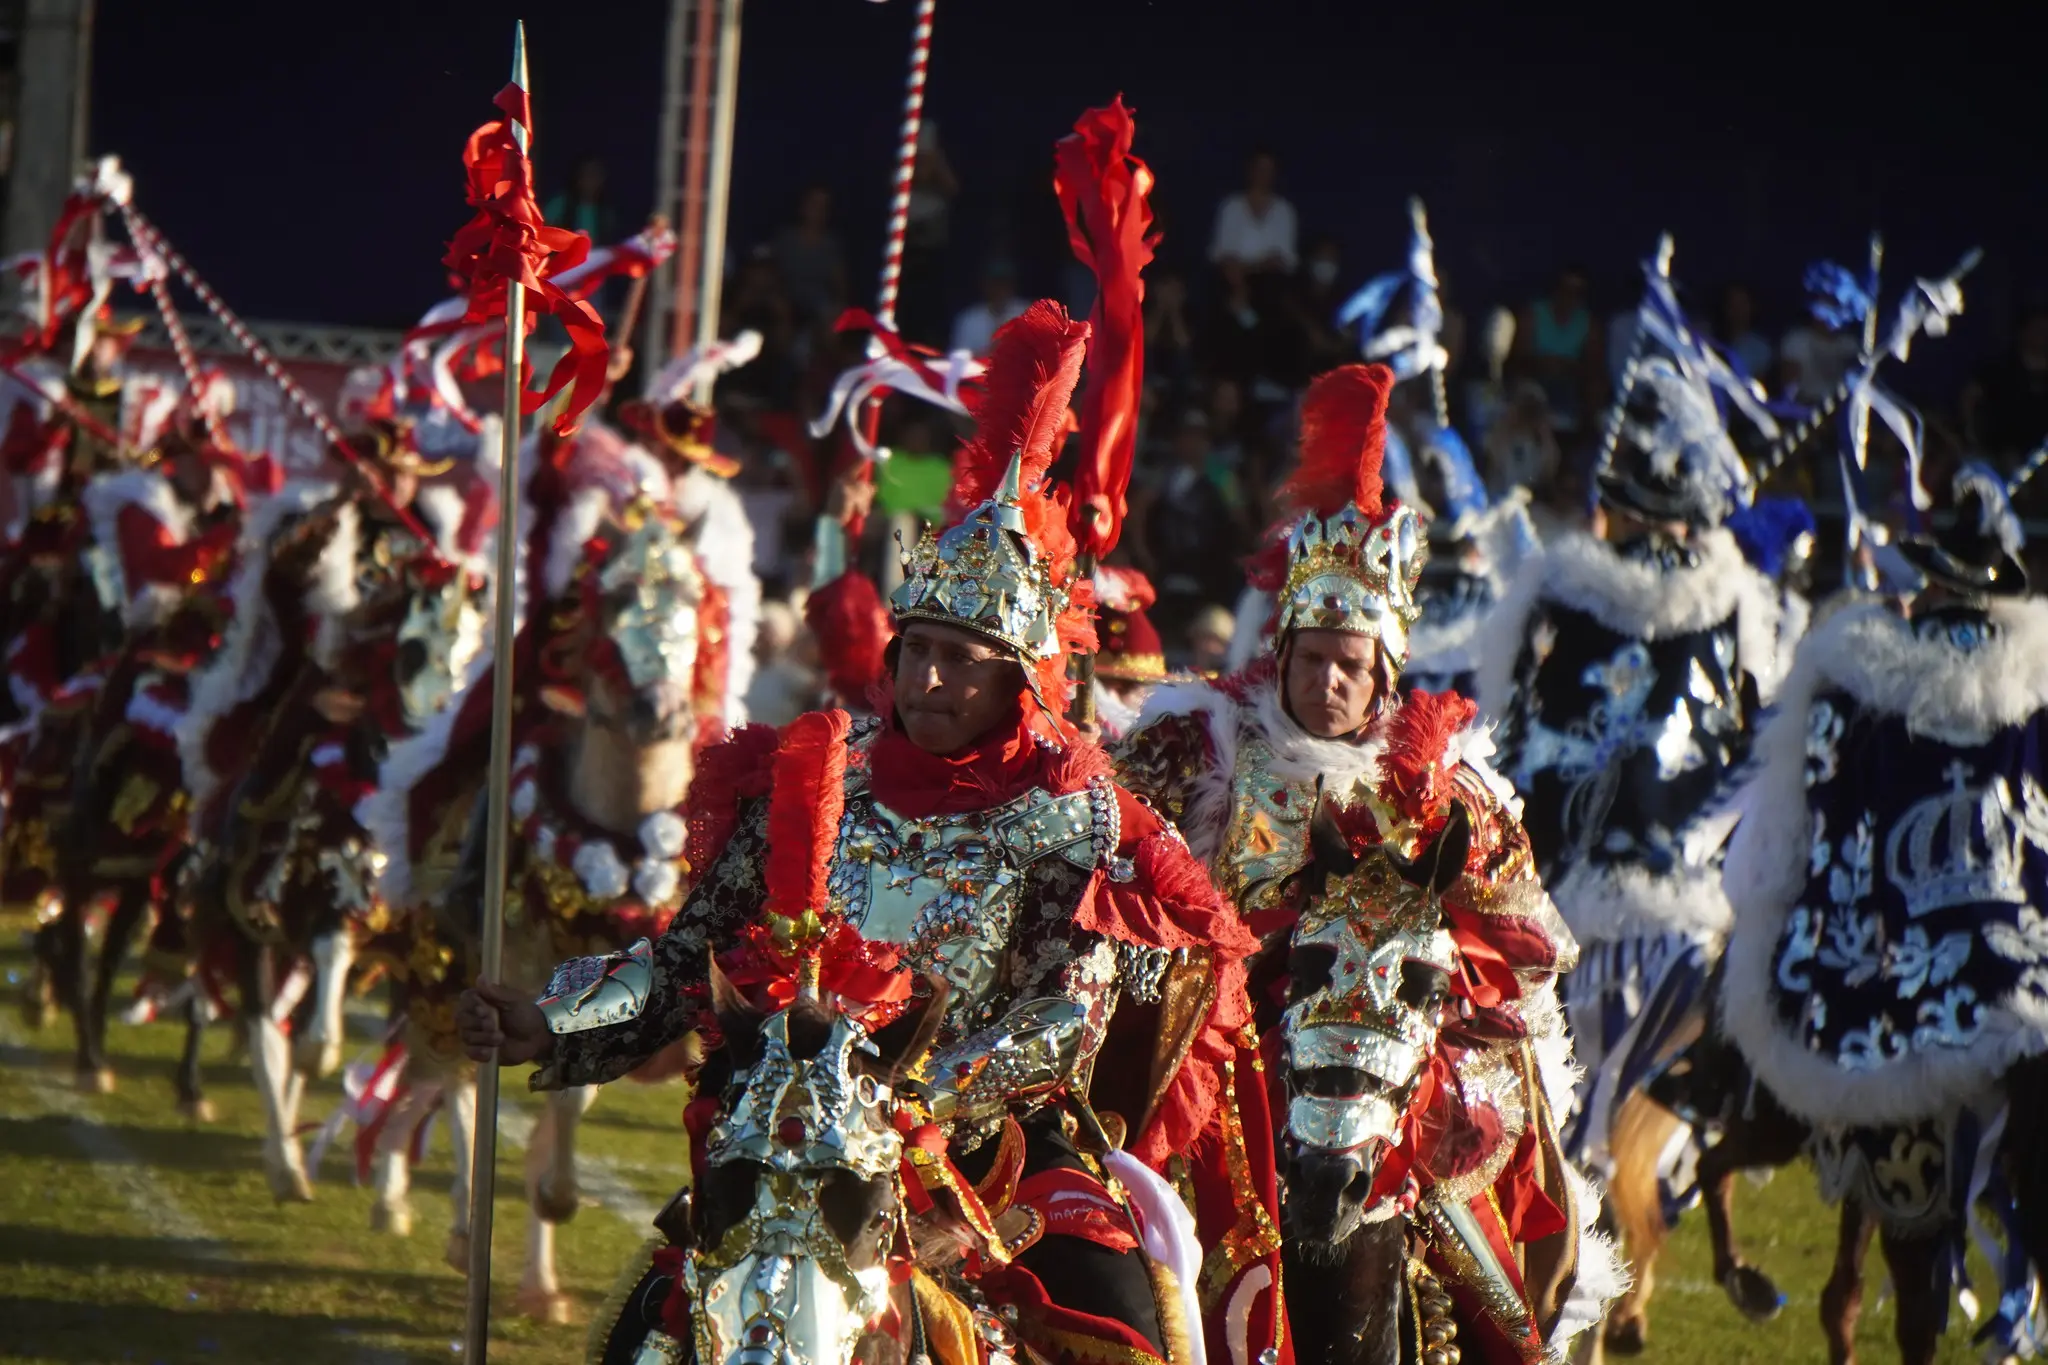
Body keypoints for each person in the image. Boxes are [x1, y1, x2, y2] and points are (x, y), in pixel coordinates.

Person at [454, 301, 1286, 1365]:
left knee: (1122, 1326)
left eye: (960, 659)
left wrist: (903, 1099)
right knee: (646, 1332)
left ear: (1019, 679)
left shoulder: (1073, 815)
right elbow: (687, 957)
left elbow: (1059, 1021)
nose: (928, 678)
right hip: (794, 1139)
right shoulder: (819, 783)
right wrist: (549, 1018)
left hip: (982, 1156)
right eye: (916, 649)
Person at [1115, 362, 1616, 1365]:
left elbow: (1521, 941)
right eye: (1311, 657)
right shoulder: (1200, 748)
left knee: (1492, 1298)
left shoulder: (1438, 777)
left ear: (1382, 671)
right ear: (1281, 654)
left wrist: (1445, 871)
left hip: (1388, 1065)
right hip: (1228, 1053)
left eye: (1350, 664)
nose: (1328, 680)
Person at [1478, 355, 1782, 1352]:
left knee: (1610, 1109)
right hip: (1605, 905)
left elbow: (1756, 748)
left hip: (1622, 907)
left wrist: (1697, 840)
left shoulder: (1701, 609)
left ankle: (1606, 1288)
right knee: (1585, 1113)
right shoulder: (1585, 602)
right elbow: (1519, 732)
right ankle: (1580, 1291)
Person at [1715, 465, 2048, 1365]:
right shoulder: (2036, 688)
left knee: (1807, 1036)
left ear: (1931, 580)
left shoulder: (1855, 680)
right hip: (2030, 977)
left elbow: (1796, 837)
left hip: (1895, 983)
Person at [1514, 266, 1601, 434]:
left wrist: (1567, 367)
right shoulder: (1532, 313)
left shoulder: (1589, 323)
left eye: (1577, 292)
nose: (1569, 296)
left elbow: (1593, 365)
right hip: (1534, 377)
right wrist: (1542, 364)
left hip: (1570, 383)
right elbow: (1518, 357)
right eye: (1565, 289)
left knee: (1593, 389)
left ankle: (1579, 440)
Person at [1208, 149, 1297, 278]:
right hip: (1232, 278)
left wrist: (1258, 267)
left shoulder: (1284, 211)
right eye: (1260, 169)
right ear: (1250, 170)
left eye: (1269, 170)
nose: (1264, 175)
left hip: (1271, 280)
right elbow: (1223, 252)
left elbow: (1284, 258)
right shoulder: (1231, 207)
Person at [769, 184, 848, 330]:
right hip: (786, 296)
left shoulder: (831, 245)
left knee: (832, 317)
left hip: (818, 300)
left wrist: (839, 305)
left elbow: (840, 283)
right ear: (803, 206)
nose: (818, 210)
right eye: (814, 204)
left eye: (823, 206)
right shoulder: (785, 238)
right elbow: (770, 273)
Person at [948, 258, 1028, 356]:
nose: (999, 288)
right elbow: (958, 356)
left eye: (1004, 283)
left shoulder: (1027, 312)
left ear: (1012, 284)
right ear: (985, 284)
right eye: (995, 283)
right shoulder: (969, 318)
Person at [1713, 282, 1774, 382]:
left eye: (1742, 304)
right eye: (1733, 304)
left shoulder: (1761, 348)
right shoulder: (1709, 339)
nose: (1737, 310)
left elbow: (1759, 385)